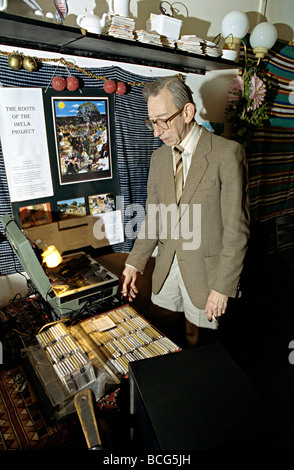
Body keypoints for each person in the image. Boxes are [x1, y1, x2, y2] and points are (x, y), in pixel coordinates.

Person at [121, 75, 250, 346]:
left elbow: (236, 230)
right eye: (152, 122)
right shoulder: (158, 158)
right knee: (162, 341)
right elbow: (154, 217)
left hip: (207, 278)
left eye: (163, 120)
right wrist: (135, 262)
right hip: (166, 271)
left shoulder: (227, 154)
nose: (156, 131)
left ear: (188, 112)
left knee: (201, 351)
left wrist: (223, 286)